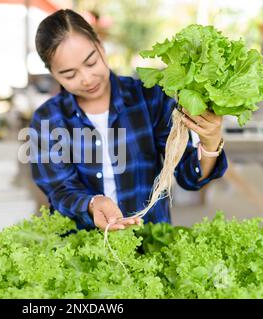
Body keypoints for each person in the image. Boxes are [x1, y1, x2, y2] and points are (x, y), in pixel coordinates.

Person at [29, 9, 227, 232]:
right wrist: (92, 204)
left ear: (100, 46)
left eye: (91, 62)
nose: (86, 79)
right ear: (53, 73)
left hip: (149, 239)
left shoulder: (149, 98)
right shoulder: (48, 119)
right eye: (69, 74)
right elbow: (59, 189)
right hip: (80, 245)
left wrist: (210, 143)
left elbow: (190, 177)